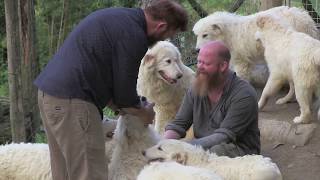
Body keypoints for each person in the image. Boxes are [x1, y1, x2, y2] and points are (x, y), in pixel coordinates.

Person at [34, 1, 188, 179]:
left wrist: (120, 106)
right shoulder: (134, 35)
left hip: (50, 96)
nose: (163, 40)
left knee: (65, 174)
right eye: (167, 35)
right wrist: (143, 114)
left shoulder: (118, 18)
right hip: (74, 103)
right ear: (161, 26)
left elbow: (106, 79)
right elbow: (125, 96)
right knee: (90, 174)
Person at [164, 41, 260, 158]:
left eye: (206, 64)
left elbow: (224, 136)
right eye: (199, 62)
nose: (200, 67)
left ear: (223, 66)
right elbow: (179, 124)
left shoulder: (244, 94)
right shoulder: (197, 86)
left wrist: (185, 147)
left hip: (239, 150)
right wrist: (163, 145)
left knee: (215, 151)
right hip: (202, 147)